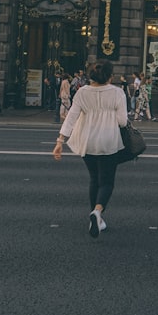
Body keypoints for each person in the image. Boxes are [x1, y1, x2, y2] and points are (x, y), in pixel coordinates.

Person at [52, 60, 129, 239]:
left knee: (94, 179)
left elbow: (71, 117)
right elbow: (122, 121)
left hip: (87, 140)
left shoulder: (82, 92)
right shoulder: (118, 93)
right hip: (109, 140)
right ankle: (97, 212)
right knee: (107, 181)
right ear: (110, 76)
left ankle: (94, 216)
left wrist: (60, 141)